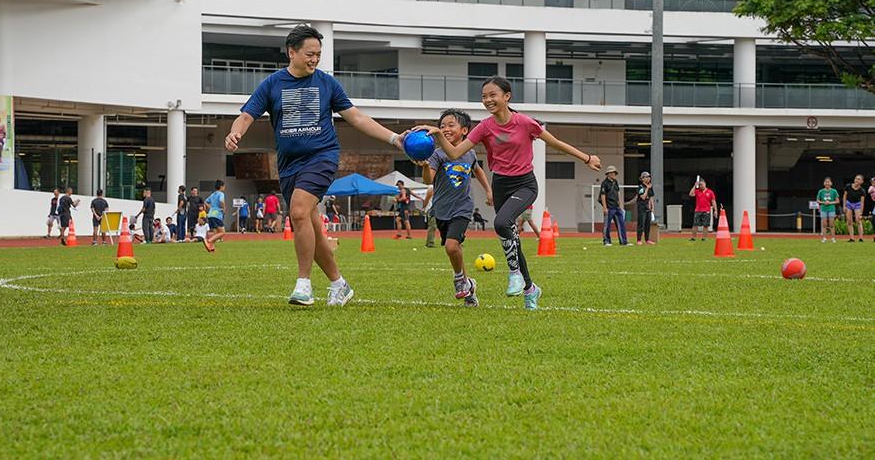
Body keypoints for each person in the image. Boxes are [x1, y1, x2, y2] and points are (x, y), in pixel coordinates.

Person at [225, 24, 408, 307]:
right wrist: (235, 133)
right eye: (310, 54)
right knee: (309, 224)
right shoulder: (272, 84)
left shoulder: (326, 83)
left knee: (298, 211)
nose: (315, 59)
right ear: (292, 52)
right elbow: (247, 116)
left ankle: (304, 285)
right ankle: (339, 284)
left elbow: (357, 118)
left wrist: (394, 138)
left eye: (318, 55)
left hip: (322, 157)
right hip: (289, 165)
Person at [417, 76, 601, 310]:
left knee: (501, 223)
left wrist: (586, 158)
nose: (487, 100)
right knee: (511, 237)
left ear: (507, 96)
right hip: (501, 184)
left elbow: (555, 143)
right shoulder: (484, 127)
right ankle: (530, 289)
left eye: (492, 95)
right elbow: (454, 153)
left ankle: (514, 273)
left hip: (525, 184)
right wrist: (438, 134)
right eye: (484, 96)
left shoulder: (525, 122)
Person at [418, 109, 492, 307]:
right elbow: (428, 180)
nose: (446, 129)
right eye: (442, 126)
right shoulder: (437, 155)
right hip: (442, 209)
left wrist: (488, 190)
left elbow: (478, 171)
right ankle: (469, 286)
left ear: (465, 130)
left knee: (451, 246)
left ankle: (459, 279)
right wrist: (424, 166)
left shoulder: (470, 153)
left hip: (463, 207)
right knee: (454, 249)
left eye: (451, 125)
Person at [600, 166, 628, 246]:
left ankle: (623, 241)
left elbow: (618, 193)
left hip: (617, 207)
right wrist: (605, 207)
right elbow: (603, 195)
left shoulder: (615, 182)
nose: (613, 174)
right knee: (607, 225)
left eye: (614, 173)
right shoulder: (604, 183)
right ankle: (606, 241)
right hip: (609, 207)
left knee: (621, 224)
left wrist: (620, 206)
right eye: (612, 173)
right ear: (608, 174)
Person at [628, 171, 655, 245]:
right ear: (642, 178)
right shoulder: (640, 187)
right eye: (646, 177)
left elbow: (651, 197)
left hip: (648, 207)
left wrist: (652, 207)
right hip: (642, 207)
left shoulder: (650, 186)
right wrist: (647, 189)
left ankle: (647, 239)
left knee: (648, 224)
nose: (648, 178)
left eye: (649, 177)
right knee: (641, 224)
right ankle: (639, 239)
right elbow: (643, 197)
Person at [203, 180, 227, 251]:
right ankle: (208, 241)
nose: (224, 187)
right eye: (224, 186)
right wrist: (224, 208)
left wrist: (210, 207)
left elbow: (205, 201)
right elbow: (221, 201)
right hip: (217, 215)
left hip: (210, 214)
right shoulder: (221, 194)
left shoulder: (213, 194)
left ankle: (211, 247)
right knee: (222, 232)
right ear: (221, 186)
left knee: (215, 233)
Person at [843, 174, 866, 243]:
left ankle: (861, 238)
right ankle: (852, 238)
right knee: (849, 221)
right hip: (849, 203)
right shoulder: (848, 186)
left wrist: (861, 213)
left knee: (858, 220)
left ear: (862, 181)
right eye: (856, 178)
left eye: (859, 179)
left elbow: (862, 203)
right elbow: (845, 196)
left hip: (857, 204)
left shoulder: (862, 190)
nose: (856, 180)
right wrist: (844, 206)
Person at [817, 177, 839, 243]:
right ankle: (824, 238)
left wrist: (830, 203)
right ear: (824, 183)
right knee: (824, 225)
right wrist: (824, 202)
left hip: (831, 209)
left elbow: (837, 201)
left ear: (831, 183)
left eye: (828, 182)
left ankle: (833, 238)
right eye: (826, 182)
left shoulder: (834, 191)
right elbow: (818, 200)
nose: (827, 183)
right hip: (823, 209)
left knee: (831, 224)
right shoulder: (821, 191)